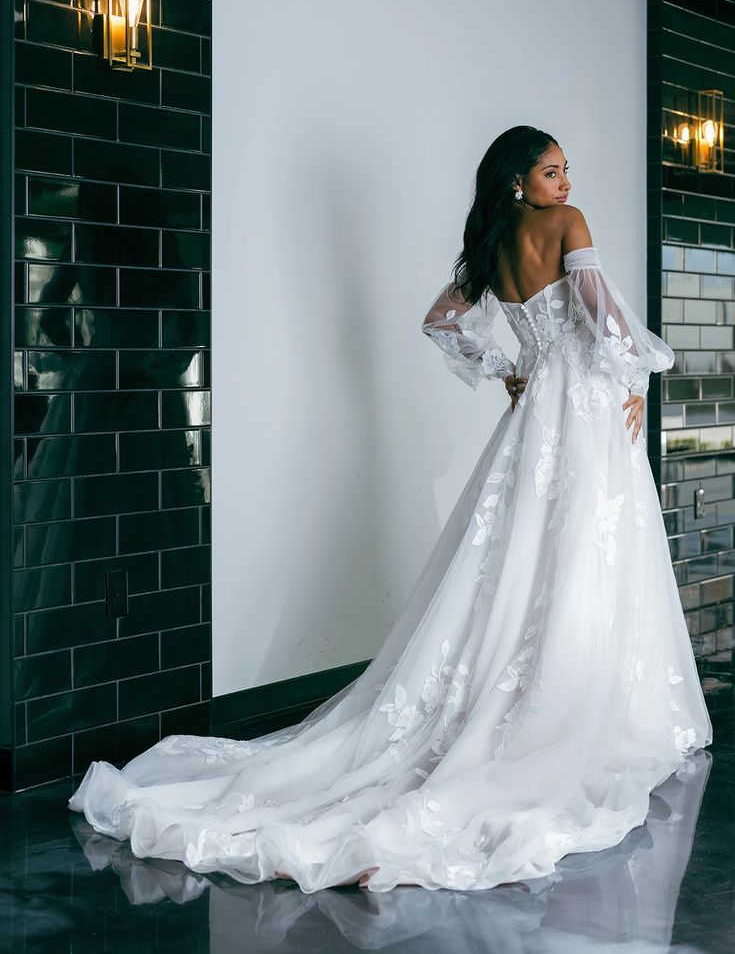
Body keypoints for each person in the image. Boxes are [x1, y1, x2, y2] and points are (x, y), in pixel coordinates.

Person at [69, 124, 712, 894]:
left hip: (535, 413)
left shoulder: (492, 245)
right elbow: (602, 319)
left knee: (518, 557)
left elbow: (439, 318)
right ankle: (567, 702)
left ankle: (519, 694)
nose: (564, 183)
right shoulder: (566, 227)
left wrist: (514, 367)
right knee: (579, 552)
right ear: (517, 180)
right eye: (550, 171)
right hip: (583, 411)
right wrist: (635, 375)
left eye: (565, 171)